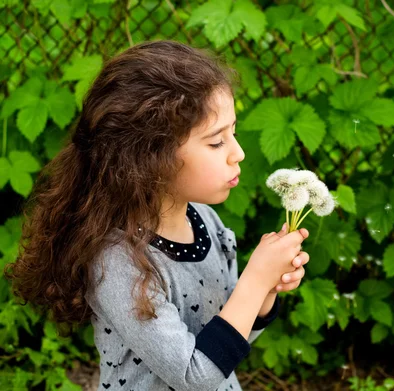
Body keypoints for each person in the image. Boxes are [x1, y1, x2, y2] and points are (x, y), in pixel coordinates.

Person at [4, 40, 310, 391]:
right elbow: (195, 377)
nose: (238, 153)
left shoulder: (210, 224)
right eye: (216, 142)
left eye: (234, 132)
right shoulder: (119, 262)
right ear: (150, 156)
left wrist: (264, 291)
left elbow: (229, 342)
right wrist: (254, 280)